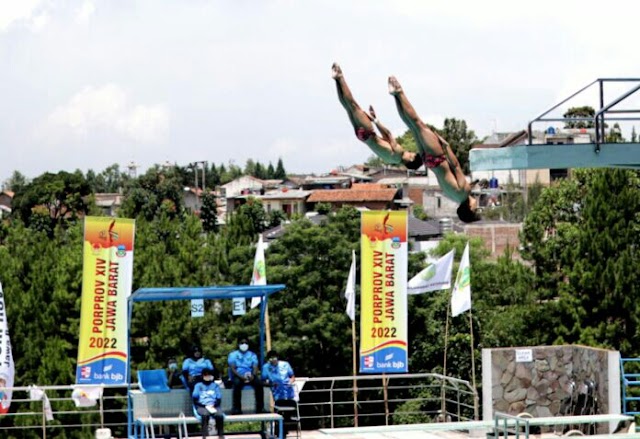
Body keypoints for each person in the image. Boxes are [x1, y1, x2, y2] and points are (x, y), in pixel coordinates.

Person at [387, 75, 480, 223]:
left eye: (475, 209)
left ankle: (399, 92)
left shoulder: (464, 192)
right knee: (412, 126)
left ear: (469, 208)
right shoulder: (455, 197)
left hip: (438, 156)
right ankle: (395, 96)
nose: (477, 205)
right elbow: (452, 181)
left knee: (418, 123)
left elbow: (455, 166)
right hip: (429, 162)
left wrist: (446, 146)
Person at [332, 63, 423, 170]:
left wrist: (375, 120)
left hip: (369, 133)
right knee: (347, 107)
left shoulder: (399, 153)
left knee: (353, 105)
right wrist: (374, 120)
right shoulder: (392, 160)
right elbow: (383, 139)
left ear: (411, 159)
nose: (408, 152)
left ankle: (340, 77)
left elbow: (388, 134)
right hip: (362, 136)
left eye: (411, 154)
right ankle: (336, 79)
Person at [262, 350, 296, 436]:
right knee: (279, 411)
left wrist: (290, 382)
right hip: (277, 393)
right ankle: (279, 432)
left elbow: (292, 376)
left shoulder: (285, 364)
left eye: (274, 357)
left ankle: (284, 431)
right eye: (271, 358)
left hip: (288, 392)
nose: (273, 360)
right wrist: (271, 384)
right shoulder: (266, 367)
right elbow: (262, 381)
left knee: (289, 411)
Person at [227, 338, 264, 414]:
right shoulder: (233, 355)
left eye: (246, 343)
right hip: (238, 375)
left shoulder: (252, 354)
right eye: (242, 343)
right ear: (238, 344)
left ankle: (260, 408)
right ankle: (237, 408)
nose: (244, 345)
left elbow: (255, 366)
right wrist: (241, 377)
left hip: (250, 375)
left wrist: (253, 375)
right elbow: (233, 368)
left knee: (259, 384)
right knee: (236, 385)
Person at [192, 368, 224, 439]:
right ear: (202, 376)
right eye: (205, 374)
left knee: (219, 415)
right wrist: (204, 405)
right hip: (202, 406)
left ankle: (221, 435)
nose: (207, 376)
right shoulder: (198, 385)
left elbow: (219, 398)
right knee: (205, 415)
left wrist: (214, 405)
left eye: (209, 374)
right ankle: (204, 435)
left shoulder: (215, 385)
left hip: (213, 406)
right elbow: (195, 399)